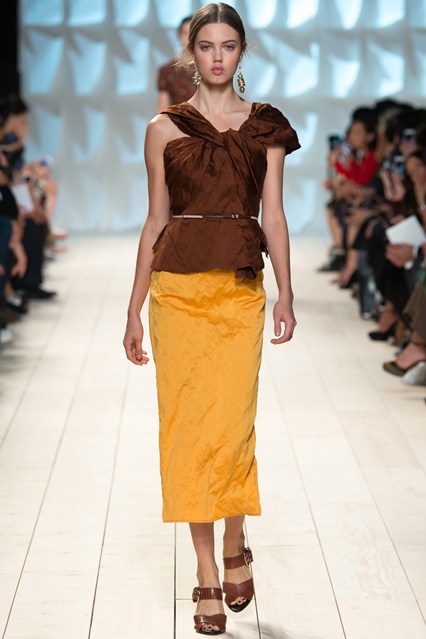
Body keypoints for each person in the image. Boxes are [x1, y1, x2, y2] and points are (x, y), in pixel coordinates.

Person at [123, 3, 300, 635]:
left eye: (228, 45)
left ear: (242, 52)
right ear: (190, 54)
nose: (217, 56)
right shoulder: (163, 129)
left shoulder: (266, 126)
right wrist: (133, 307)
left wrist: (286, 293)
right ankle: (206, 569)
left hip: (238, 289)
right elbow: (155, 220)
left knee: (232, 423)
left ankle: (234, 537)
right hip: (175, 292)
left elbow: (273, 215)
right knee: (187, 426)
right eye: (206, 46)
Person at [157, 15, 195, 112]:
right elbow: (162, 108)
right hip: (177, 120)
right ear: (179, 36)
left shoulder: (209, 69)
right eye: (185, 33)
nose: (189, 38)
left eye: (193, 33)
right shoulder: (167, 70)